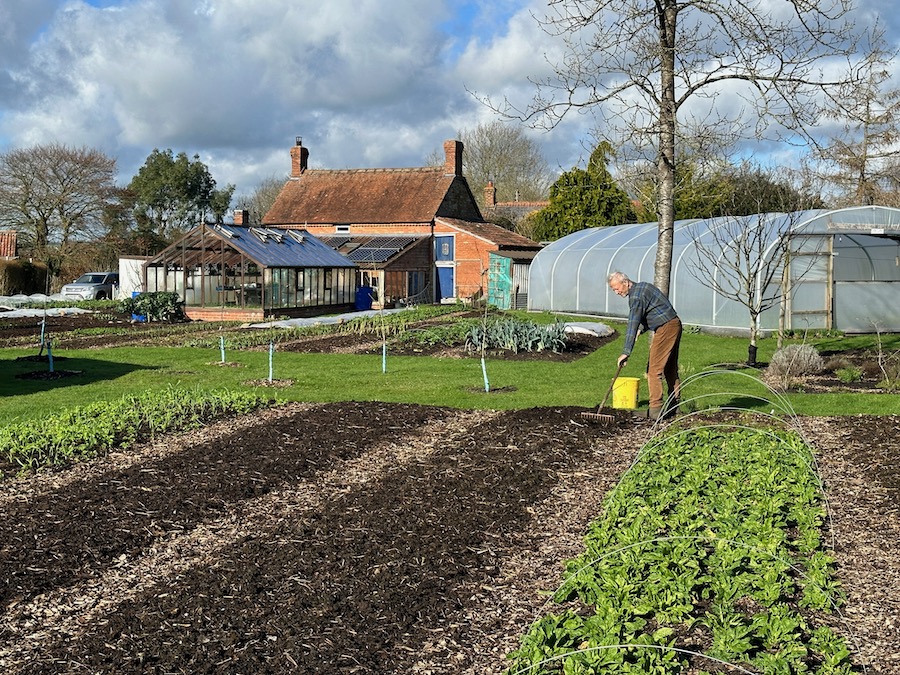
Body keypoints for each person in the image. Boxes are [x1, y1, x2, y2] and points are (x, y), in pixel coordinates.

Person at [607, 271, 682, 420]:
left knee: (653, 370)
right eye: (613, 290)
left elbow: (632, 323)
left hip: (665, 327)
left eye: (616, 288)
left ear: (625, 282)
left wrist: (626, 352)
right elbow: (653, 310)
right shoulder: (643, 287)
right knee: (669, 367)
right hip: (674, 323)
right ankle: (674, 406)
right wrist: (640, 331)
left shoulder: (635, 297)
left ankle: (655, 410)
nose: (616, 292)